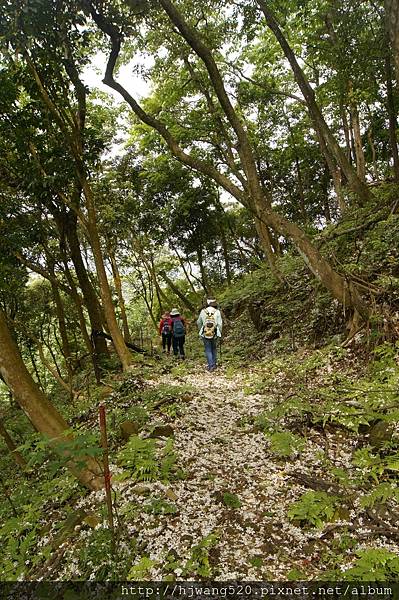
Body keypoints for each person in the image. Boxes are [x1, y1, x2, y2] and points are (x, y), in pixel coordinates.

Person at [197, 299, 222, 371]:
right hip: (215, 332)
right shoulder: (217, 312)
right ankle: (214, 364)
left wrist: (201, 330)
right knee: (214, 348)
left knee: (208, 349)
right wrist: (219, 333)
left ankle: (210, 366)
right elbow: (220, 324)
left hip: (205, 332)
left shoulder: (203, 311)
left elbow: (198, 322)